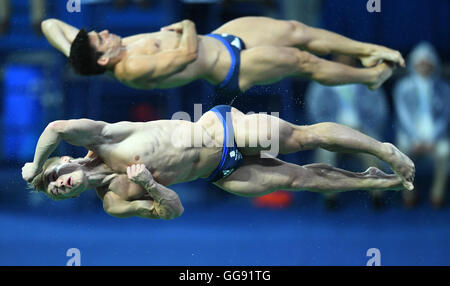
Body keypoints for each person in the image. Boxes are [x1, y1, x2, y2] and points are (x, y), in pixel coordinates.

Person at [22, 105, 415, 219]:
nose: (57, 185)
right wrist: (151, 185)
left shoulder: (102, 137)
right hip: (221, 173)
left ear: (66, 160)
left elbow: (56, 126)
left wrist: (33, 165)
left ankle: (383, 150)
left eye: (54, 176)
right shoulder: (113, 201)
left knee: (302, 137)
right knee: (300, 179)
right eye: (55, 191)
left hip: (221, 130)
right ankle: (381, 182)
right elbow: (172, 211)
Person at [41, 17, 405, 96]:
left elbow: (49, 23)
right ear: (104, 60)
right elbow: (186, 53)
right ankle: (368, 78)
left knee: (297, 29)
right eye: (99, 39)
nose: (105, 32)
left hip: (222, 37)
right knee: (303, 61)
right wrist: (186, 25)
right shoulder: (132, 66)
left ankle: (371, 50)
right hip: (231, 65)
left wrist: (72, 52)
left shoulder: (99, 53)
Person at [306, 55, 389, 208]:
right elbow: (315, 113)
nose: (344, 62)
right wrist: (332, 130)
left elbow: (379, 112)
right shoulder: (321, 83)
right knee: (326, 154)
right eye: (340, 59)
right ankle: (330, 197)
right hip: (331, 133)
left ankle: (377, 195)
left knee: (371, 150)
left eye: (348, 59)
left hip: (362, 131)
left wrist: (363, 129)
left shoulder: (366, 81)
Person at [393, 42, 450, 208]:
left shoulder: (444, 89)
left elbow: (446, 117)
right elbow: (402, 116)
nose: (424, 66)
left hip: (435, 136)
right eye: (420, 63)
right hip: (411, 136)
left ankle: (437, 194)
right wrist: (415, 139)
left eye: (427, 63)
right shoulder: (403, 87)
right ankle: (409, 194)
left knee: (446, 150)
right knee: (400, 152)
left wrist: (433, 139)